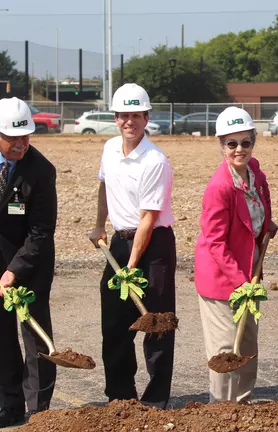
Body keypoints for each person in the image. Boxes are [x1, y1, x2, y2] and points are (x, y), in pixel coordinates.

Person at [88, 83, 177, 409]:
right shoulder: (110, 148)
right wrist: (100, 225)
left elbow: (148, 219)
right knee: (114, 323)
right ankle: (121, 395)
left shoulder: (155, 161)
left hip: (153, 247)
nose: (130, 122)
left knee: (157, 323)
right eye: (124, 115)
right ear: (115, 117)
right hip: (119, 241)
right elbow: (103, 186)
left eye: (136, 115)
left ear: (146, 117)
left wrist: (131, 265)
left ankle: (155, 400)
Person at [194, 107, 278, 402]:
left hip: (248, 273)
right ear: (222, 146)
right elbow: (215, 242)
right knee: (226, 349)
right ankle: (222, 408)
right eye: (232, 143)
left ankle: (242, 404)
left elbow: (262, 203)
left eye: (245, 142)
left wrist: (267, 225)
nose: (239, 149)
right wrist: (241, 281)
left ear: (254, 142)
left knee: (247, 344)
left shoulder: (254, 171)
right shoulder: (219, 188)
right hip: (221, 279)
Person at [0, 98, 57, 427]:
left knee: (34, 332)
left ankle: (38, 410)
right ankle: (9, 403)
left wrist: (13, 271)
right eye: (13, 138)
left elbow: (41, 232)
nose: (21, 144)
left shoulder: (41, 171)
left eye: (26, 137)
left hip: (30, 260)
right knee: (1, 334)